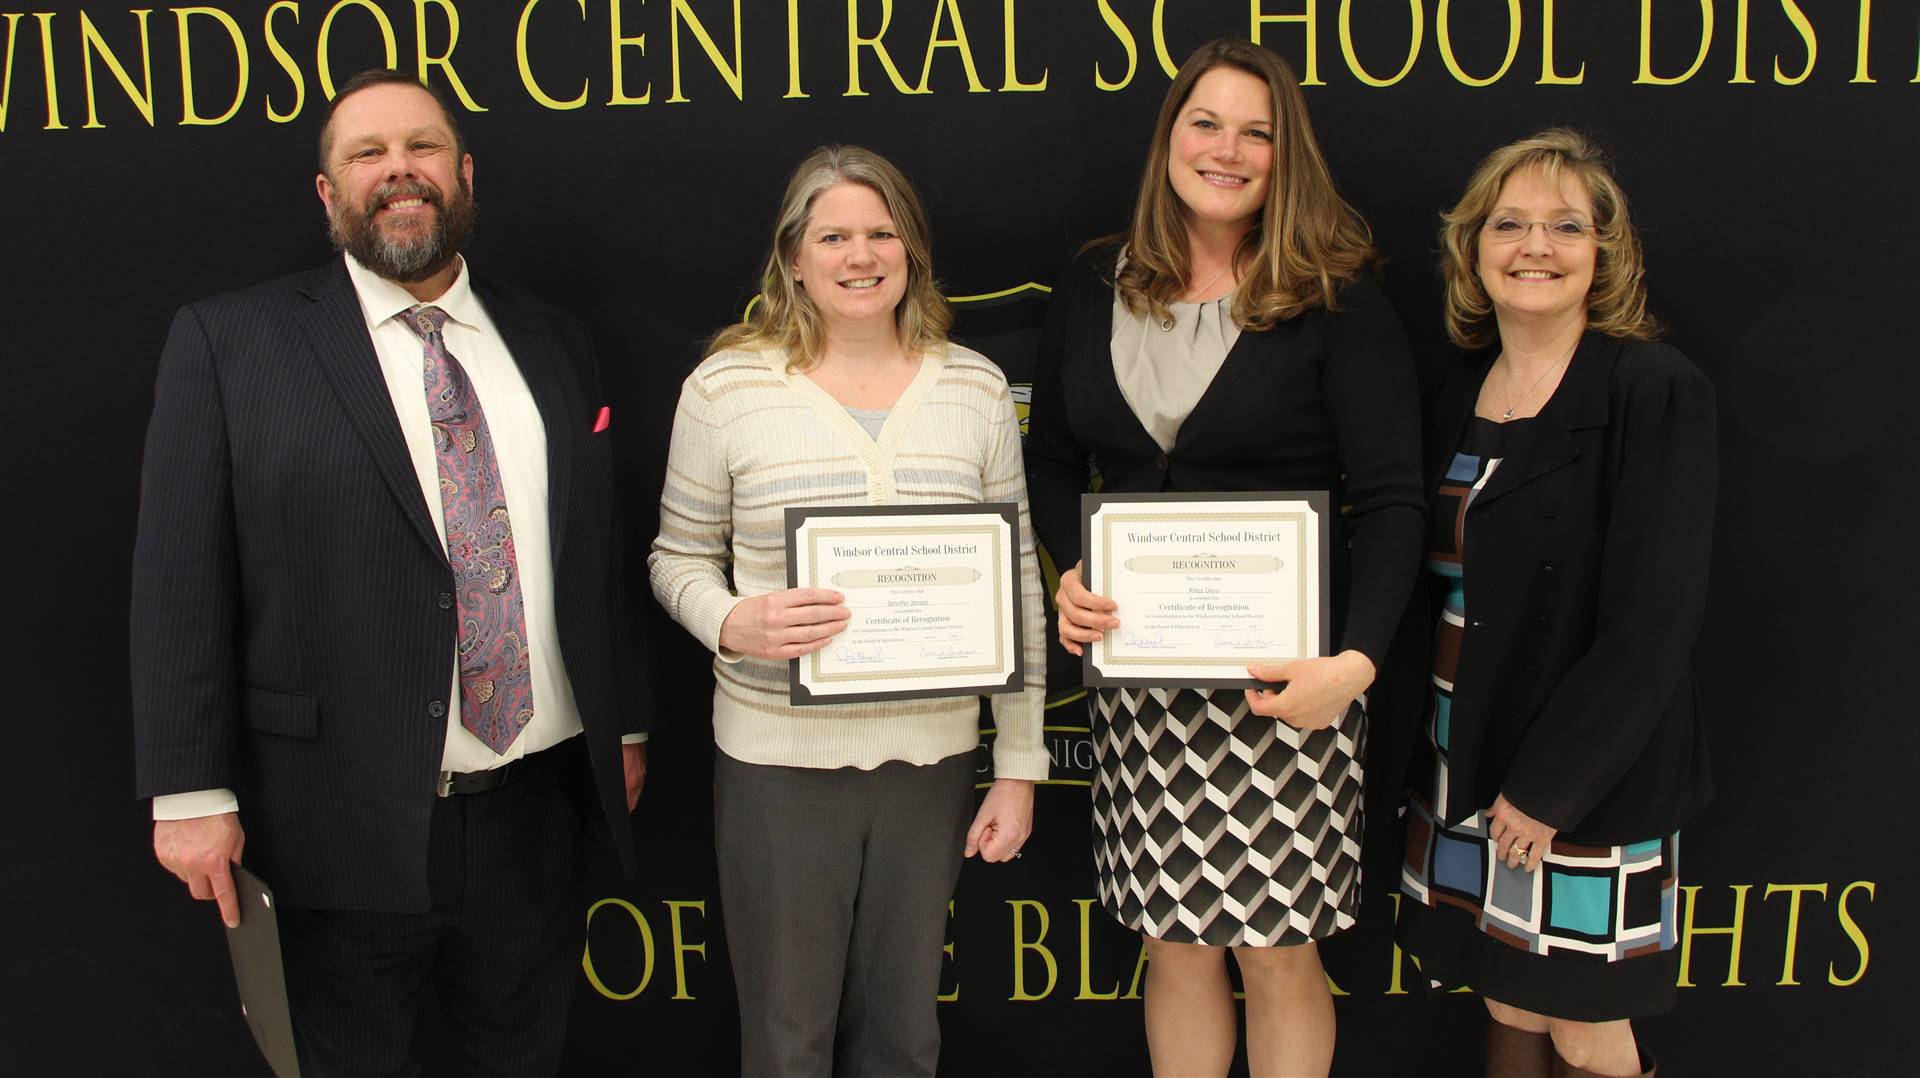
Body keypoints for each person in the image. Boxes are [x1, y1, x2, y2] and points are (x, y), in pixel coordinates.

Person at [130, 69, 650, 1076]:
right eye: (366, 154)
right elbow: (176, 577)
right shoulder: (230, 342)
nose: (396, 170)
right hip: (333, 820)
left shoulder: (552, 339)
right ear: (329, 194)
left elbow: (593, 548)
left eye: (420, 147)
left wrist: (621, 721)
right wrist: (187, 788)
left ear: (463, 175)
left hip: (531, 813)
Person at [1024, 37, 1424, 1078]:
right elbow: (1055, 460)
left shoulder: (1337, 294)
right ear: (1169, 137)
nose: (1229, 149)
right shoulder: (1091, 282)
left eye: (1259, 131)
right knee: (1173, 942)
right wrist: (1071, 567)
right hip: (1144, 684)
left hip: (1289, 688)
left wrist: (1355, 666)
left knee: (1278, 950)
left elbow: (1390, 501)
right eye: (1207, 121)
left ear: (1287, 156)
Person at [648, 144, 1047, 1077]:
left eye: (880, 231)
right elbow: (675, 559)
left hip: (933, 762)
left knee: (904, 1040)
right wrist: (730, 622)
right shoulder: (726, 389)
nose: (859, 254)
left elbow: (1018, 582)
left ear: (911, 248)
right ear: (793, 257)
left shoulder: (975, 388)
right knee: (788, 1042)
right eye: (833, 235)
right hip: (778, 763)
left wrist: (1020, 765)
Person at [1393, 129, 1715, 1078]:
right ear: (1472, 248)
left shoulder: (1654, 389)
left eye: (1566, 226)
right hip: (1459, 746)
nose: (1536, 245)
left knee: (1582, 1020)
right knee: (1506, 995)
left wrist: (1548, 792)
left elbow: (1656, 620)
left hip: (1586, 772)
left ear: (1604, 253)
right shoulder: (1453, 385)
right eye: (1511, 224)